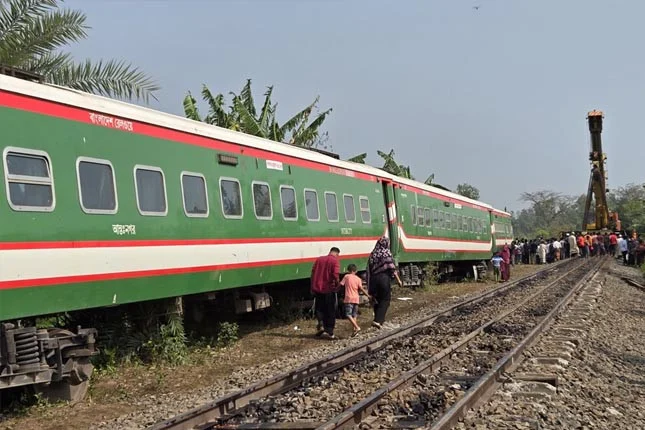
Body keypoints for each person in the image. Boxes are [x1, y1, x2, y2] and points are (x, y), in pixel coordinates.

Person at [366, 236, 402, 329]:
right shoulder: (386, 253)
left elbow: (368, 269)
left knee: (377, 299)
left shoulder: (373, 254)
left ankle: (378, 320)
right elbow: (392, 268)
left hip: (373, 279)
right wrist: (398, 280)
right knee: (385, 299)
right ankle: (378, 321)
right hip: (383, 279)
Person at [311, 247, 341, 339]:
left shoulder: (319, 259)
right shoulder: (335, 261)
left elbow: (313, 272)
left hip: (318, 288)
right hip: (328, 289)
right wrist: (338, 284)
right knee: (330, 310)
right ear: (337, 254)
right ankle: (330, 331)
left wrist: (312, 286)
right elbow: (335, 274)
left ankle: (321, 324)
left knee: (319, 308)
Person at [340, 264, 370, 337]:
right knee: (354, 315)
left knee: (348, 314)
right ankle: (354, 331)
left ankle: (357, 327)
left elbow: (341, 284)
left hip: (348, 298)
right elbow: (361, 288)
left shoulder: (346, 276)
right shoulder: (358, 279)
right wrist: (368, 295)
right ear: (356, 271)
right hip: (356, 298)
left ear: (348, 270)